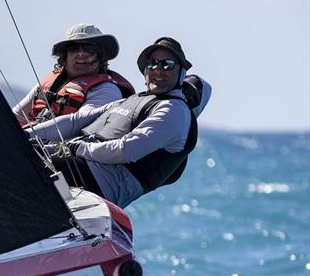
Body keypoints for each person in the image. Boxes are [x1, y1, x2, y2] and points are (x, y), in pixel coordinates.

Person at [28, 37, 212, 208]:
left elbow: (126, 150)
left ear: (181, 73)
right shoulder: (134, 100)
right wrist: (29, 134)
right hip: (80, 164)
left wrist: (77, 148)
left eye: (168, 65)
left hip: (99, 185)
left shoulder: (174, 111)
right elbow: (77, 120)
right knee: (22, 151)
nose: (158, 69)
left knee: (25, 163)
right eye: (153, 63)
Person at [13, 23, 135, 126]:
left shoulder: (107, 90)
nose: (81, 53)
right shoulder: (49, 83)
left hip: (66, 152)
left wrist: (35, 132)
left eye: (89, 48)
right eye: (74, 48)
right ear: (64, 57)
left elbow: (78, 124)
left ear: (100, 56)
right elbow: (16, 116)